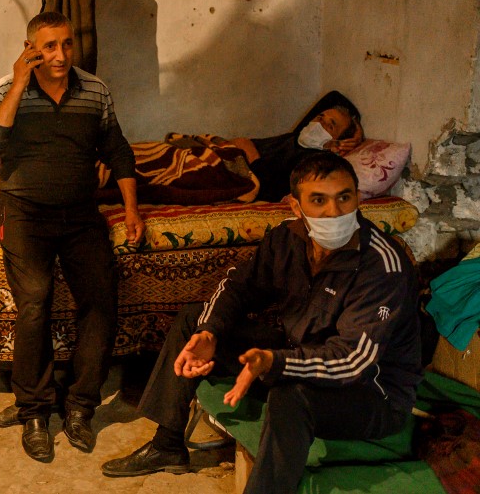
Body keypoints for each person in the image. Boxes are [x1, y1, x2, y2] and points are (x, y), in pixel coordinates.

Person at [101, 152, 423, 493]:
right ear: (296, 208)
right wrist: (209, 333)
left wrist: (276, 362)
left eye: (345, 197)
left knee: (291, 395)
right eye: (318, 200)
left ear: (357, 197)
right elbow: (240, 285)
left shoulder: (382, 266)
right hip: (298, 351)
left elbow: (352, 361)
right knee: (195, 320)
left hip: (370, 393)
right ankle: (167, 445)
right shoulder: (287, 237)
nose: (335, 212)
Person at [0, 11, 144, 462]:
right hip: (23, 211)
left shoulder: (94, 90)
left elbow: (117, 149)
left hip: (80, 213)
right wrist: (15, 83)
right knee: (35, 299)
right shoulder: (4, 89)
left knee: (101, 297)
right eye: (49, 46)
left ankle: (80, 407)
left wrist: (130, 210)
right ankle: (34, 411)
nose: (61, 55)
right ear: (30, 47)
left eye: (67, 44)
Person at [230, 90, 364, 201]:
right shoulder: (297, 137)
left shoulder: (311, 162)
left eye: (329, 126)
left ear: (337, 145)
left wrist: (251, 155)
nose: (318, 124)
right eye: (319, 118)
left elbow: (268, 190)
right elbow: (333, 96)